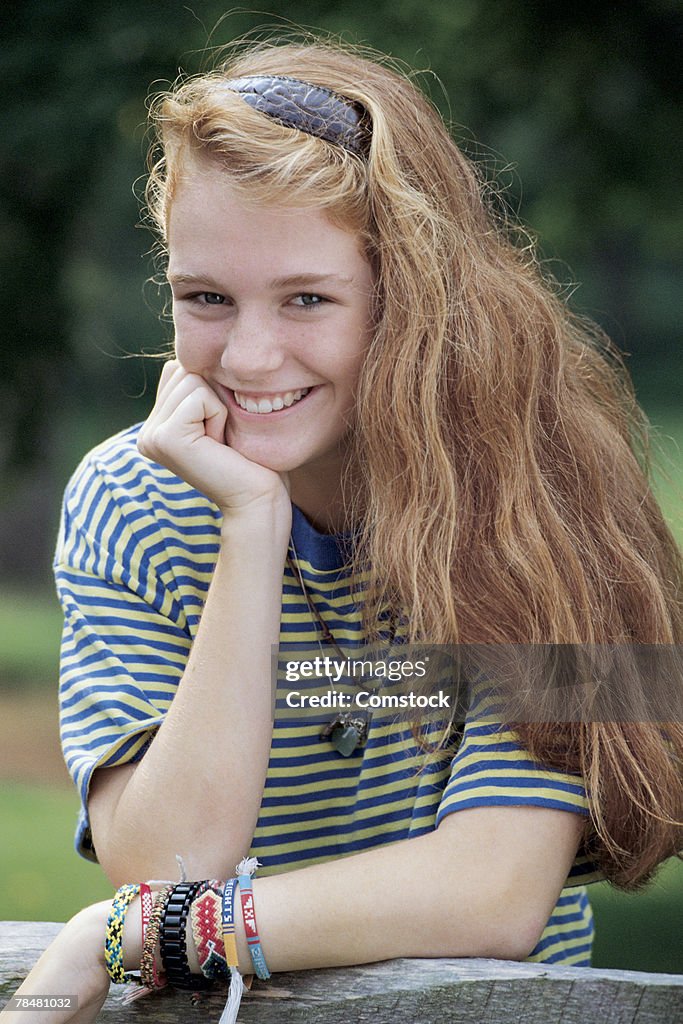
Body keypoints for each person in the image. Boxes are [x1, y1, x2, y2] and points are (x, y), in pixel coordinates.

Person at [3, 34, 682, 1024]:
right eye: (205, 298)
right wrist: (249, 526)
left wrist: (130, 932)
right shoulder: (128, 498)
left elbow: (492, 892)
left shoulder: (557, 500)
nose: (248, 354)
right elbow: (164, 862)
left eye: (307, 298)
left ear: (409, 299)